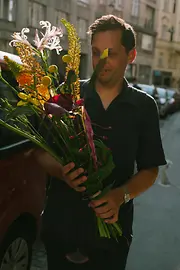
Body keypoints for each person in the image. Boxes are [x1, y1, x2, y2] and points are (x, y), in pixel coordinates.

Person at [32, 15, 166, 270]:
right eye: (96, 52)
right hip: (61, 229)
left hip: (111, 239)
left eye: (111, 53)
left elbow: (150, 169)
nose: (101, 61)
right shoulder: (67, 95)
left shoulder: (143, 106)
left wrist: (119, 196)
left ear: (131, 55)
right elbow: (40, 152)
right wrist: (60, 171)